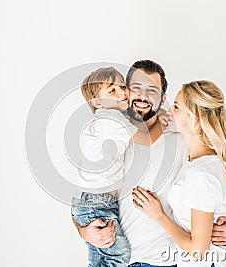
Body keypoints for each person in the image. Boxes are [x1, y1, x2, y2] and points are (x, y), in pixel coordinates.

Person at [73, 60, 226, 267]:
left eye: (152, 90)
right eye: (136, 88)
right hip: (119, 259)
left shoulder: (183, 140)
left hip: (163, 261)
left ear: (163, 98)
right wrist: (83, 230)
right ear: (126, 93)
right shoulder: (111, 136)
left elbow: (212, 190)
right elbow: (86, 196)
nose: (143, 96)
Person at [132, 80, 226, 266]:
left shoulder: (201, 172)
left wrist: (159, 215)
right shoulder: (197, 160)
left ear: (193, 117)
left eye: (176, 106)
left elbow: (198, 251)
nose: (169, 111)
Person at [72, 67, 169, 267]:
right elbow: (146, 138)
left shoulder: (112, 121)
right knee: (118, 257)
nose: (122, 93)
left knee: (100, 259)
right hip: (98, 202)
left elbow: (142, 128)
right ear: (97, 102)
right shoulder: (110, 119)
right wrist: (163, 120)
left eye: (122, 87)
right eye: (112, 90)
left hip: (92, 200)